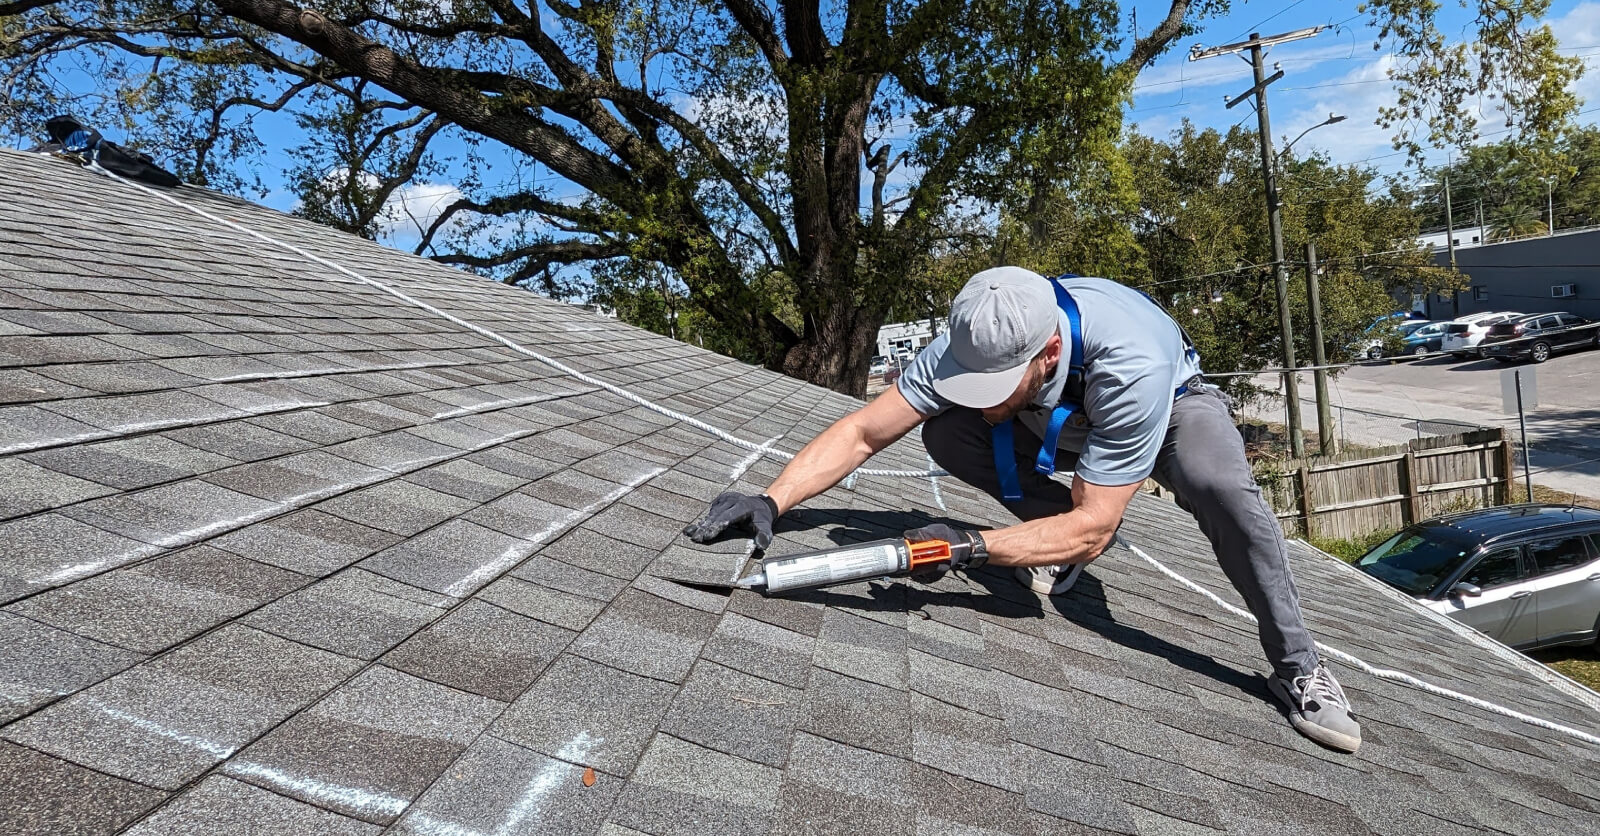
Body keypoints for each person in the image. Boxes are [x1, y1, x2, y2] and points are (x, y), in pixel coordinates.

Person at [683, 266, 1360, 753]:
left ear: (1050, 352)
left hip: (1170, 407)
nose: (980, 394)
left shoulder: (1131, 365)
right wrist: (773, 496)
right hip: (1057, 415)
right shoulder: (977, 336)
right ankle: (1044, 532)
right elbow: (865, 430)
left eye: (993, 385)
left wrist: (966, 546)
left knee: (1220, 487)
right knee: (947, 429)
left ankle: (1299, 665)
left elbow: (1096, 530)